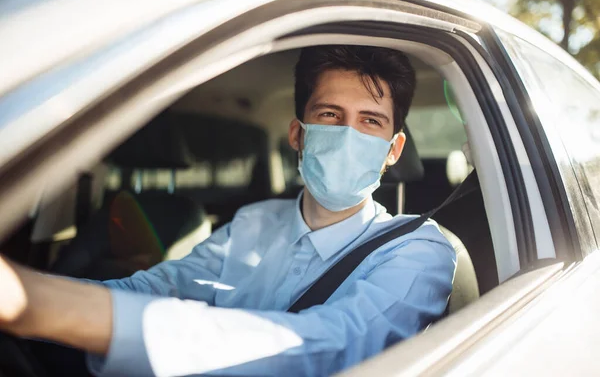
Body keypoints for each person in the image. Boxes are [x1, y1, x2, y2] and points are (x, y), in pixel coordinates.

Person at [0, 45, 456, 377]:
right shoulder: (255, 222)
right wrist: (39, 290)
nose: (348, 135)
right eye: (330, 116)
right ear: (298, 135)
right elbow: (161, 285)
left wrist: (35, 305)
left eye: (370, 121)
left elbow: (333, 345)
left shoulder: (418, 250)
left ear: (393, 149)